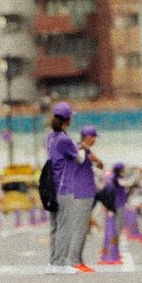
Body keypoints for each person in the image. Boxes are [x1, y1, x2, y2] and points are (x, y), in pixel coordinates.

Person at [45, 101, 95, 273]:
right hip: (64, 187)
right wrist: (83, 147)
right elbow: (79, 158)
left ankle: (53, 262)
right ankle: (60, 264)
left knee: (54, 226)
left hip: (51, 187)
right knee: (64, 226)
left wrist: (77, 146)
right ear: (68, 119)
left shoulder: (50, 137)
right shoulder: (65, 139)